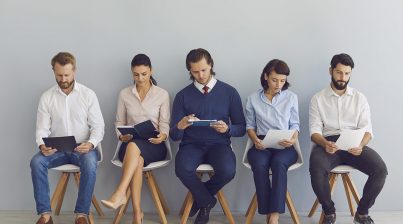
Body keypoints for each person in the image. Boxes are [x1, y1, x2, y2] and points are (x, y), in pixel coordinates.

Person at [309, 53, 388, 224]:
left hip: (354, 144)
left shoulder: (360, 98)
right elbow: (314, 131)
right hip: (328, 144)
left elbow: (368, 131)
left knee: (380, 170)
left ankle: (362, 212)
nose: (342, 77)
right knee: (316, 168)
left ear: (351, 73)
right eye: (338, 72)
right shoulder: (318, 98)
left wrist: (360, 145)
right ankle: (329, 212)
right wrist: (324, 143)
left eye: (346, 73)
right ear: (331, 71)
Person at [170, 48, 246, 224]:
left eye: (204, 70)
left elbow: (241, 128)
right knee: (182, 169)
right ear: (189, 71)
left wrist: (227, 129)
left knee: (228, 170)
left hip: (219, 145)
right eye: (195, 72)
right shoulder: (182, 96)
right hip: (191, 145)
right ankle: (207, 201)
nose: (201, 75)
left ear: (211, 65)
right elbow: (174, 135)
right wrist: (181, 125)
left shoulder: (230, 92)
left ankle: (201, 199)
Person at [30, 52, 105, 224]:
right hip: (57, 148)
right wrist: (42, 145)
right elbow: (41, 129)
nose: (63, 79)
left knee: (89, 163)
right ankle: (45, 215)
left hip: (83, 148)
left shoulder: (88, 94)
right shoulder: (47, 97)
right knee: (36, 162)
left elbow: (98, 126)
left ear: (74, 71)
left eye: (67, 75)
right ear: (53, 72)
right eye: (59, 75)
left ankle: (81, 214)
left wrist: (91, 143)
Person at [101, 54, 170, 224]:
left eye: (144, 74)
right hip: (130, 142)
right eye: (136, 74)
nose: (140, 78)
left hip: (154, 145)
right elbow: (119, 122)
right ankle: (137, 215)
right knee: (136, 156)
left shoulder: (162, 94)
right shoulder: (124, 94)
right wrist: (121, 135)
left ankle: (120, 193)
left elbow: (165, 123)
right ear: (132, 73)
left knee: (135, 149)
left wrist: (163, 135)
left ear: (151, 71)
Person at [245, 59, 299, 224]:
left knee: (278, 164)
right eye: (275, 80)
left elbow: (295, 125)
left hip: (285, 144)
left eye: (282, 81)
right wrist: (255, 140)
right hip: (261, 142)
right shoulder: (253, 98)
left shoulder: (291, 97)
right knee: (259, 164)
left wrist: (292, 139)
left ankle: (274, 216)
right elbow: (250, 126)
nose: (278, 84)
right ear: (266, 76)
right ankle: (266, 210)